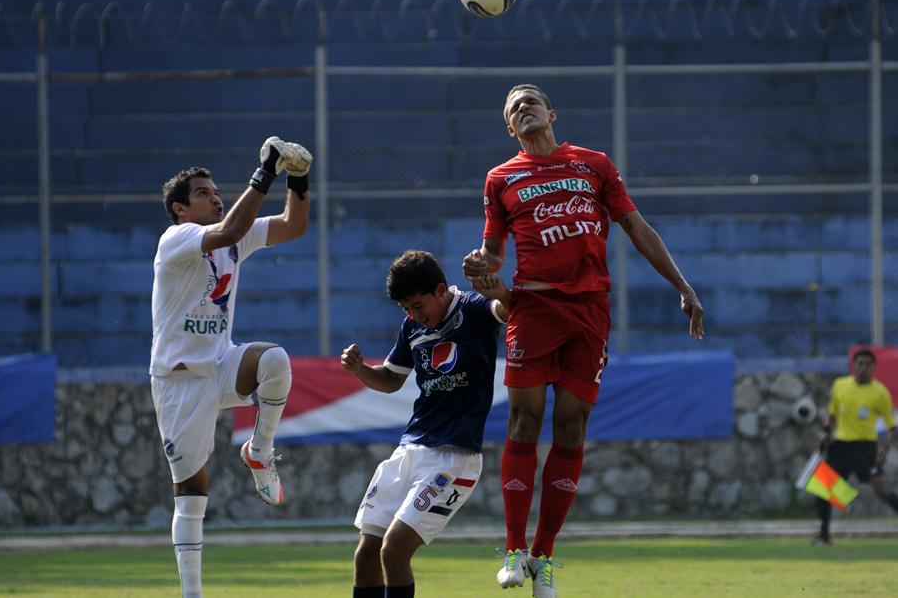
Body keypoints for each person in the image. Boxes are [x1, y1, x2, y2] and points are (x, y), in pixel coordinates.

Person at [462, 83, 705, 598]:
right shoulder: (500, 179)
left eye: (531, 101)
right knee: (524, 420)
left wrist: (682, 287)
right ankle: (512, 550)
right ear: (510, 128)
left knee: (571, 430)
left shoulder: (593, 164)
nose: (523, 107)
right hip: (533, 307)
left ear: (551, 112)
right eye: (512, 108)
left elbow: (637, 227)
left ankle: (544, 558)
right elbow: (493, 254)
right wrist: (483, 267)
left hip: (590, 312)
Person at [149, 136, 312, 598]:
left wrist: (299, 178)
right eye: (203, 193)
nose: (215, 196)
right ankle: (193, 593)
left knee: (275, 360)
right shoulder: (177, 239)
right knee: (193, 491)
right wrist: (265, 174)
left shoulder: (232, 231)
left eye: (217, 190)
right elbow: (226, 232)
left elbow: (291, 225)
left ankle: (260, 451)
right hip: (179, 379)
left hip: (221, 363)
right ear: (180, 210)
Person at [342, 250, 510, 598]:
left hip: (454, 457)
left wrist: (498, 291)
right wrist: (360, 369)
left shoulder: (475, 309)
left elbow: (508, 311)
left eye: (417, 306)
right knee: (366, 555)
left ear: (439, 290)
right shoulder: (412, 326)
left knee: (394, 550)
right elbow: (391, 379)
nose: (413, 315)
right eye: (405, 309)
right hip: (410, 449)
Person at [815, 348, 898, 545]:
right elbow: (832, 413)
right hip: (841, 447)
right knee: (822, 490)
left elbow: (891, 427)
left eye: (868, 365)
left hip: (865, 448)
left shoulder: (880, 392)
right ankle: (824, 535)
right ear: (854, 366)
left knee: (883, 490)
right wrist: (826, 434)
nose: (863, 368)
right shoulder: (840, 385)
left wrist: (883, 450)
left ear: (874, 368)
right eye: (860, 364)